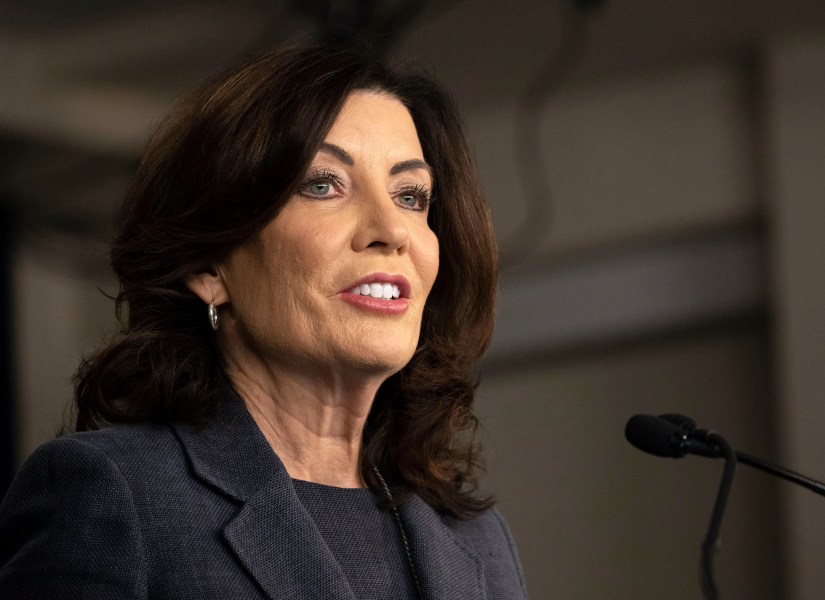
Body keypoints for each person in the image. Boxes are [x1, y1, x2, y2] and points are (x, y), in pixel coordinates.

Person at [0, 45, 527, 599]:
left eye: (411, 195)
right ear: (209, 264)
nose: (391, 230)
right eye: (322, 184)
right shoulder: (115, 496)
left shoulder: (478, 542)